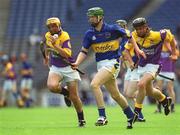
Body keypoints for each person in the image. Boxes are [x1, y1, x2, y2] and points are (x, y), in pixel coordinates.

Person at [72, 7, 145, 129]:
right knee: (115, 95)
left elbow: (130, 35)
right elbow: (83, 51)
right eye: (89, 17)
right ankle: (131, 115)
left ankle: (102, 116)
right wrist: (77, 63)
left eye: (93, 17)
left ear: (100, 17)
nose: (90, 19)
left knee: (94, 84)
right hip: (101, 65)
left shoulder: (113, 29)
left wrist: (137, 50)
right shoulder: (89, 34)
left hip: (113, 63)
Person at [42, 17, 86, 127]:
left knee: (75, 97)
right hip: (56, 67)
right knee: (52, 86)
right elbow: (46, 46)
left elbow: (67, 54)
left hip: (69, 67)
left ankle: (81, 119)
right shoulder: (48, 35)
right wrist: (46, 56)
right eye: (50, 26)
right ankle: (66, 93)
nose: (52, 28)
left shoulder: (65, 35)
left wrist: (56, 46)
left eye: (54, 25)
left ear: (59, 25)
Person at [131, 17, 177, 118]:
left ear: (146, 27)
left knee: (141, 84)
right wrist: (136, 51)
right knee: (150, 91)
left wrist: (174, 54)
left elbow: (172, 38)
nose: (139, 31)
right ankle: (164, 100)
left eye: (141, 28)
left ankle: (137, 112)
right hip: (142, 66)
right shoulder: (134, 34)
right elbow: (130, 38)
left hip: (154, 65)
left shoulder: (158, 35)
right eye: (137, 29)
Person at [116, 19, 145, 122]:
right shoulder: (119, 40)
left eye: (121, 26)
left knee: (129, 94)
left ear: (125, 27)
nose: (119, 28)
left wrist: (135, 63)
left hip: (136, 68)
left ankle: (144, 92)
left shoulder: (130, 37)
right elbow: (123, 53)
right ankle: (140, 116)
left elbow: (139, 51)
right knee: (126, 94)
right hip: (129, 69)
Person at [155, 31, 179, 113]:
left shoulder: (173, 44)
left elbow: (176, 55)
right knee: (158, 89)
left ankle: (172, 107)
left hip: (169, 70)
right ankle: (158, 108)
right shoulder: (159, 45)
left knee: (170, 89)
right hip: (160, 70)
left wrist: (167, 45)